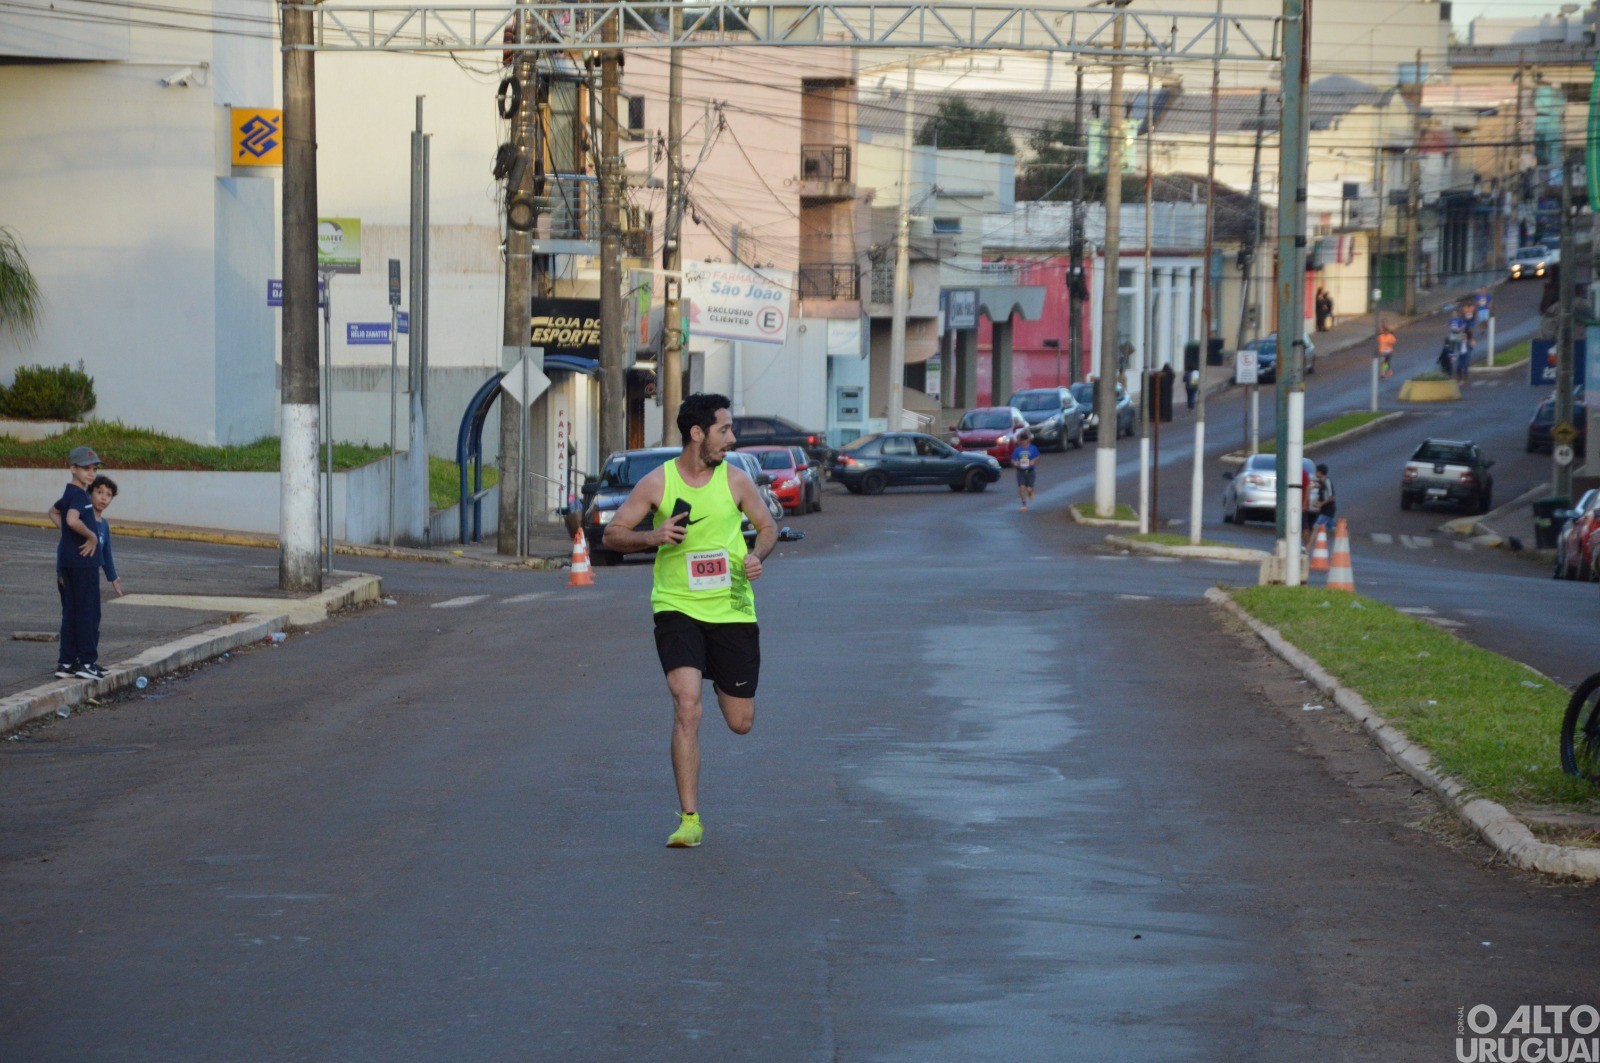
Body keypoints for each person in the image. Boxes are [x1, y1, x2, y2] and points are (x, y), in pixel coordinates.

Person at [602, 393, 778, 849]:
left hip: (732, 608)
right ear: (697, 433)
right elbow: (612, 534)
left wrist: (756, 556)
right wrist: (653, 536)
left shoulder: (737, 481)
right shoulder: (656, 484)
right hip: (677, 607)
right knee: (686, 706)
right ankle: (689, 819)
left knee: (740, 722)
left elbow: (767, 526)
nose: (732, 438)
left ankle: (722, 679)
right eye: (724, 430)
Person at [50, 446, 106, 680]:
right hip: (83, 564)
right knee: (88, 612)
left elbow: (53, 513)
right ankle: (86, 663)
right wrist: (91, 536)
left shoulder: (69, 493)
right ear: (72, 468)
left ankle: (66, 662)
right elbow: (71, 519)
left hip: (68, 561)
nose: (91, 474)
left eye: (93, 469)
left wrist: (70, 536)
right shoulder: (80, 495)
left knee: (71, 611)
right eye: (85, 469)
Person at [1304, 463, 1336, 549]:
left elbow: (1332, 497)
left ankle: (1308, 547)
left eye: (1317, 472)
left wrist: (1321, 503)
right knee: (1332, 528)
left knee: (1316, 526)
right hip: (1323, 510)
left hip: (1328, 510)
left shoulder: (1327, 482)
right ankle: (1343, 535)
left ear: (1320, 473)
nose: (1315, 473)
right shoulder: (1321, 483)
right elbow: (1316, 487)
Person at [1012, 429, 1040, 511]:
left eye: (1025, 440)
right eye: (1022, 440)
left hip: (1030, 471)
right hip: (1020, 471)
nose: (1023, 442)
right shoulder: (1018, 450)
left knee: (1029, 489)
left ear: (1028, 440)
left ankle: (1030, 492)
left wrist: (1033, 461)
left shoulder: (1033, 448)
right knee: (1021, 487)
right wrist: (1015, 463)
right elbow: (1013, 459)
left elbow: (1037, 456)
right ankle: (1024, 504)